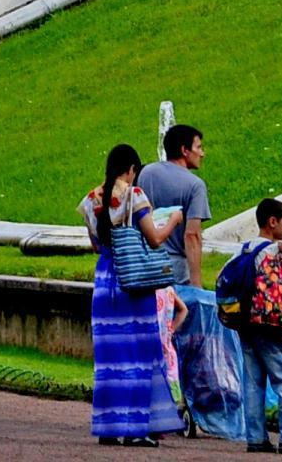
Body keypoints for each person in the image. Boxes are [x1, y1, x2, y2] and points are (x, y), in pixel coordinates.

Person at [137, 123, 237, 437]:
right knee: (184, 341)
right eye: (199, 146)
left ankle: (149, 403)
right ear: (184, 150)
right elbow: (192, 236)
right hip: (175, 272)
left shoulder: (147, 174)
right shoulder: (195, 185)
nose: (202, 153)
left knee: (152, 336)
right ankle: (184, 407)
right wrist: (198, 285)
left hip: (144, 267)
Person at [83, 143, 176, 447]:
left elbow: (97, 245)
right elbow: (155, 238)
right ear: (132, 169)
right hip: (132, 282)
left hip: (105, 279)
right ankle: (136, 429)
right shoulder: (134, 195)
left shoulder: (92, 199)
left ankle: (109, 427)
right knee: (139, 354)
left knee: (111, 359)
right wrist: (174, 220)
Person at [234, 196, 282, 454]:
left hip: (245, 322)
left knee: (253, 382)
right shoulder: (274, 251)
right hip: (271, 323)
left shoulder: (244, 248)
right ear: (272, 222)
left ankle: (256, 438)